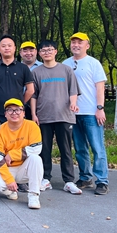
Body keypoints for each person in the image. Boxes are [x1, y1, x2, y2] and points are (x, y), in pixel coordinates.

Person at [31, 40, 81, 194]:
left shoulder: (66, 70)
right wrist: (33, 114)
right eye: (43, 50)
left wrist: (73, 103)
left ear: (55, 51)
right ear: (39, 53)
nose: (47, 52)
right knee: (44, 149)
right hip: (44, 116)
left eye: (50, 50)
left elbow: (73, 91)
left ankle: (69, 181)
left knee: (65, 149)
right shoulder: (36, 72)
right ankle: (45, 178)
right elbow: (33, 95)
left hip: (64, 116)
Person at [63, 32, 110, 195]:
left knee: (97, 148)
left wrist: (100, 108)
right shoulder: (65, 64)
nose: (76, 45)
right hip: (72, 114)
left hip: (91, 112)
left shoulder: (93, 63)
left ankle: (102, 180)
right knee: (80, 148)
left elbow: (100, 88)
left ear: (87, 45)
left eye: (79, 42)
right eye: (73, 42)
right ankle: (85, 177)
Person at [0, 99, 43, 209]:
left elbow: (36, 148)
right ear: (5, 114)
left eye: (18, 110)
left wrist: (12, 154)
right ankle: (11, 191)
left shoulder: (32, 126)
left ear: (23, 113)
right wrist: (9, 180)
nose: (14, 113)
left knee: (36, 159)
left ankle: (33, 195)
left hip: (25, 167)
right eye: (10, 110)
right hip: (8, 167)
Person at [0, 35, 34, 123]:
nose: (6, 48)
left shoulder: (23, 68)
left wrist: (21, 102)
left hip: (18, 113)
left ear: (15, 48)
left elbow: (30, 90)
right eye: (3, 46)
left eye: (9, 45)